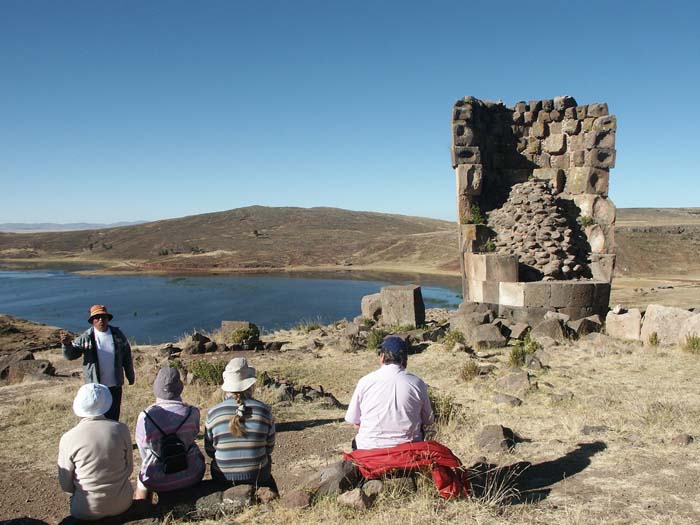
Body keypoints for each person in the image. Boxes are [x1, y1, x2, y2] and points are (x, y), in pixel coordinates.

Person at [58, 383, 134, 520]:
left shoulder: (68, 438)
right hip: (123, 503)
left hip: (86, 509)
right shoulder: (121, 429)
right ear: (107, 403)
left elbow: (65, 485)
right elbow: (129, 469)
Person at [345, 335, 434, 450]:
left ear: (382, 357)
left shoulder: (365, 381)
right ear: (405, 360)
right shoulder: (417, 383)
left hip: (369, 449)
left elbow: (355, 423)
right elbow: (428, 420)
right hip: (409, 450)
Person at [205, 358, 277, 492]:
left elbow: (210, 450)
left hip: (223, 477)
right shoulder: (265, 411)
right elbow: (269, 448)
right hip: (257, 475)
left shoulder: (213, 413)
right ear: (251, 384)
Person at [134, 366, 205, 501]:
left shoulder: (145, 417)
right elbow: (194, 436)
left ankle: (144, 509)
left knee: (141, 481)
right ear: (179, 387)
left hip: (156, 478)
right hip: (192, 472)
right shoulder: (192, 412)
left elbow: (143, 450)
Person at [60, 304, 135, 421]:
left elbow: (127, 357)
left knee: (113, 418)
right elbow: (71, 355)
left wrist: (130, 375)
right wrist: (67, 345)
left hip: (114, 386)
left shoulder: (118, 335)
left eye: (103, 317)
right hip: (95, 388)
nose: (101, 320)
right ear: (92, 321)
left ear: (108, 319)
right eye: (97, 317)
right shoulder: (86, 337)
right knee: (95, 418)